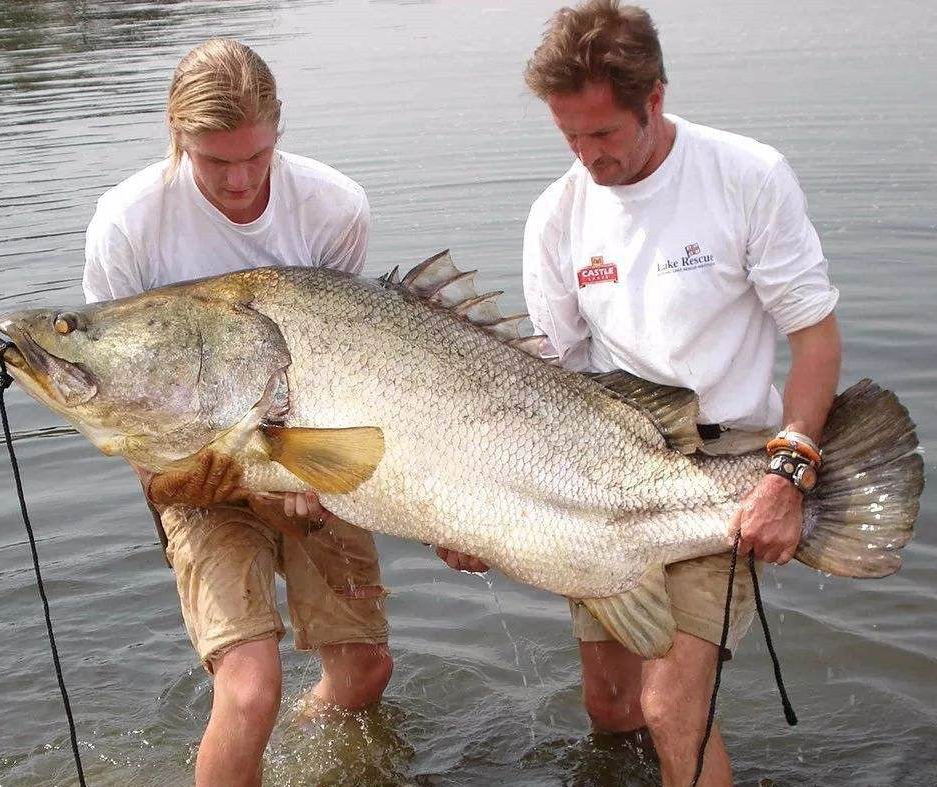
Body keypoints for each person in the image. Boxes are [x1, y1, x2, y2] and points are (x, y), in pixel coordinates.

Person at [438, 2, 842, 785]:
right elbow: (543, 388)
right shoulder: (555, 217)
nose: (588, 157)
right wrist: (476, 513)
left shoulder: (748, 176)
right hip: (602, 461)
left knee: (670, 707)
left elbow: (816, 340)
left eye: (604, 135)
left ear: (653, 99)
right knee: (611, 706)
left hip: (730, 463)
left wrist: (787, 472)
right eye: (569, 137)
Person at [82, 38, 392, 787]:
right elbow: (119, 398)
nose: (240, 179)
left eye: (256, 157)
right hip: (195, 467)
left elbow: (346, 358)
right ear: (176, 136)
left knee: (365, 673)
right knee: (250, 687)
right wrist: (191, 483)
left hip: (311, 450)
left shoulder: (333, 206)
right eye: (215, 162)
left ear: (278, 130)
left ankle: (307, 750)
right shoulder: (128, 225)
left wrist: (305, 482)